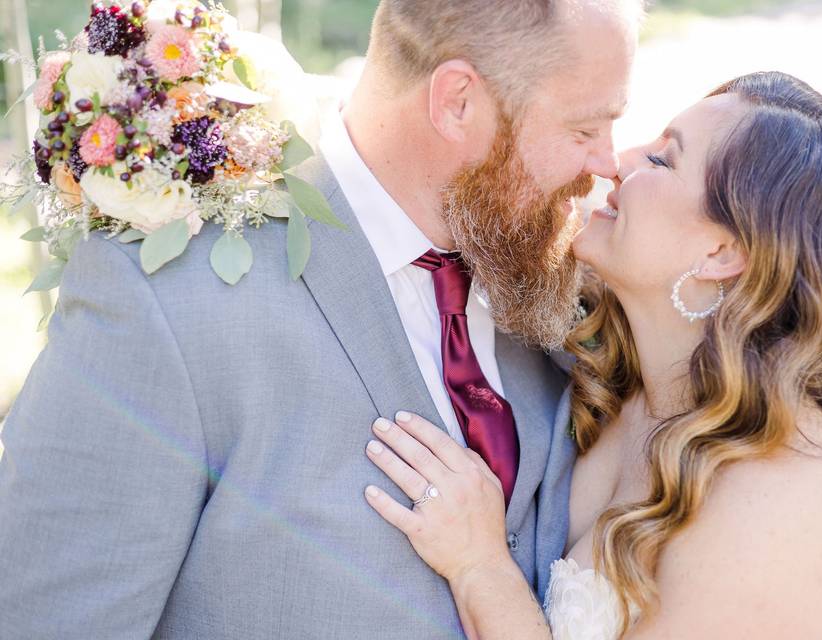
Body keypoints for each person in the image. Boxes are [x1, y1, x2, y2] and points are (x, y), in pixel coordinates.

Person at [0, 1, 640, 638]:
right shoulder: (165, 303)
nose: (608, 164)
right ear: (457, 102)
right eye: (585, 130)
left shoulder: (545, 281)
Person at [363, 71, 822, 639]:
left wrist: (478, 566)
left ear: (722, 252)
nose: (619, 161)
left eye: (664, 160)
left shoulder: (784, 503)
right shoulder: (626, 378)